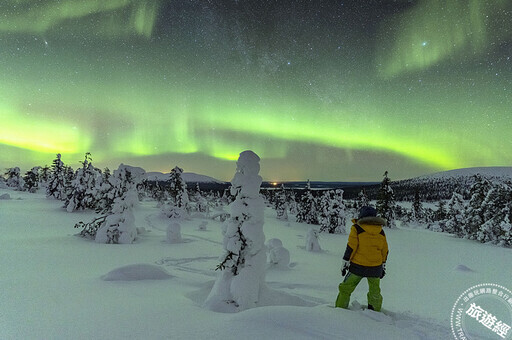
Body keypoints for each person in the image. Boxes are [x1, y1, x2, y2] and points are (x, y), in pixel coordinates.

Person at [335, 206, 388, 311]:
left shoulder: (357, 228)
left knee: (345, 288)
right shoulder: (380, 231)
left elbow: (351, 247)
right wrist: (383, 266)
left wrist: (345, 262)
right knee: (375, 292)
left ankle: (340, 309)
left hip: (357, 266)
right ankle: (375, 312)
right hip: (375, 267)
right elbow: (385, 250)